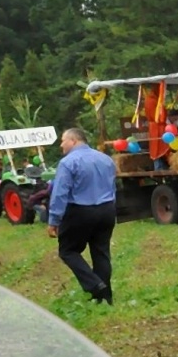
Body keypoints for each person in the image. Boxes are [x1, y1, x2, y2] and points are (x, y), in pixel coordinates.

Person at [47, 127, 117, 304]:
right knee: (101, 252)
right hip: (107, 209)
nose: (61, 145)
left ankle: (94, 285)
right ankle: (105, 297)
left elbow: (60, 193)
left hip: (81, 210)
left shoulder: (68, 162)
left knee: (68, 250)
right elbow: (112, 186)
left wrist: (54, 220)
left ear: (74, 141)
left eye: (63, 140)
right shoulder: (106, 159)